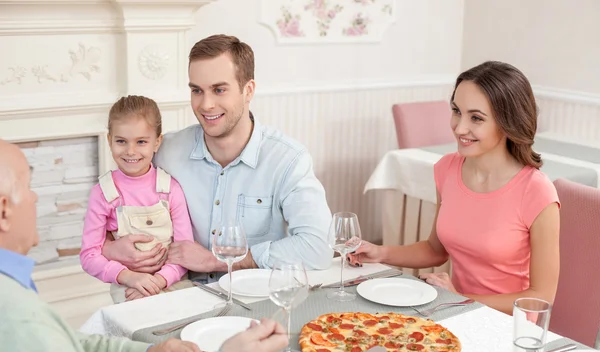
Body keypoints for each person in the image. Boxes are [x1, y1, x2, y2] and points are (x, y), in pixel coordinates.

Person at [0, 138, 288, 352]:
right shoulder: (17, 320)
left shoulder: (17, 303)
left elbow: (62, 345)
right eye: (28, 187)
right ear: (4, 211)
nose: (35, 198)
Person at [101, 34, 333, 283]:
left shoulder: (288, 160)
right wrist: (109, 249)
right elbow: (106, 204)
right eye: (197, 91)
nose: (206, 104)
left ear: (248, 90)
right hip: (178, 295)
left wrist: (217, 260)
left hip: (255, 300)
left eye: (219, 90)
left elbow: (318, 248)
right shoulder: (165, 151)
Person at [349, 61, 560, 315]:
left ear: (508, 122)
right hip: (455, 310)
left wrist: (462, 298)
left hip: (507, 328)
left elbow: (541, 298)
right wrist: (380, 252)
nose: (459, 128)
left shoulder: (536, 191)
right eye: (456, 111)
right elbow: (435, 250)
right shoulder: (447, 169)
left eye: (476, 118)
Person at [80, 96, 194, 302]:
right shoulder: (103, 193)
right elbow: (89, 255)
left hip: (173, 282)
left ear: (157, 142)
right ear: (109, 140)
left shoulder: (170, 189)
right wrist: (130, 277)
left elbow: (184, 251)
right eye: (121, 141)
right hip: (127, 287)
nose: (130, 151)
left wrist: (157, 281)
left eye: (141, 141)